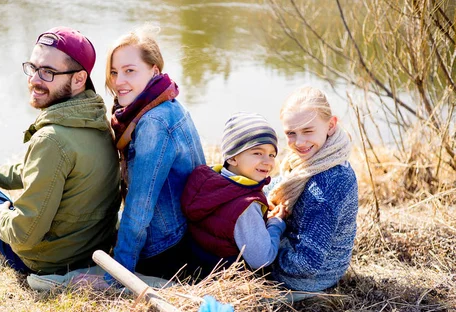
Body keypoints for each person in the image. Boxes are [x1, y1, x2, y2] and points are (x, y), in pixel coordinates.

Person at [0, 27, 121, 275]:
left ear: (79, 79)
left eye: (48, 72)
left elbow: (24, 234)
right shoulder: (96, 118)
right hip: (91, 251)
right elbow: (41, 170)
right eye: (33, 68)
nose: (34, 79)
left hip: (48, 262)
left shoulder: (52, 140)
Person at [106, 26, 205, 280]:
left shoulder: (154, 123)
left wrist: (118, 275)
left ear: (154, 70)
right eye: (115, 72)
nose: (118, 82)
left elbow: (139, 210)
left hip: (164, 249)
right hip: (183, 233)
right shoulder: (166, 100)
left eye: (130, 71)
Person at [267, 86, 358, 292]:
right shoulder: (324, 158)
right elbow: (279, 184)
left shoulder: (324, 187)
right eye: (291, 133)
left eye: (308, 131)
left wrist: (264, 254)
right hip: (321, 264)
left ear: (331, 125)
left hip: (309, 278)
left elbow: (306, 264)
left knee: (231, 240)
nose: (299, 142)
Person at [181, 113, 287, 276]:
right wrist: (275, 224)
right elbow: (261, 260)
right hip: (227, 275)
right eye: (257, 153)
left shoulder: (206, 180)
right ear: (232, 158)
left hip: (199, 264)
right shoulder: (246, 205)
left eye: (272, 154)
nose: (268, 161)